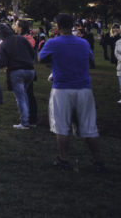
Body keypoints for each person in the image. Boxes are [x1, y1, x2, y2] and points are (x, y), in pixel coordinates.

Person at [38, 13, 105, 172]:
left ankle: (63, 159)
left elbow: (41, 58)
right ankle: (98, 161)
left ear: (58, 27)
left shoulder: (53, 43)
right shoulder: (83, 43)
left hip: (62, 88)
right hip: (84, 88)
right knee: (89, 126)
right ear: (73, 25)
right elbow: (89, 58)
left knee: (62, 126)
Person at [0, 23, 36, 129]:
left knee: (20, 97)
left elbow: (1, 62)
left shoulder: (3, 44)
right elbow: (32, 52)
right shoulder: (21, 39)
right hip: (30, 70)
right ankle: (30, 119)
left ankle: (24, 122)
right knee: (25, 94)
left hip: (16, 71)